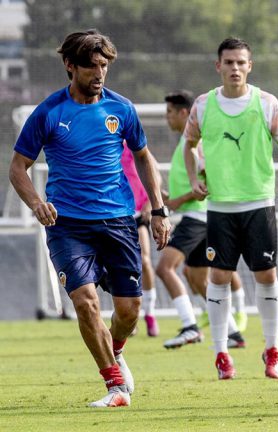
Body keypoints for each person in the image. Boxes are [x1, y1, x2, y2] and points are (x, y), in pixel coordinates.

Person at [9, 30, 171, 408]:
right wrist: (35, 202)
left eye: (104, 66)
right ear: (70, 66)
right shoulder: (49, 112)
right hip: (67, 225)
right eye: (91, 66)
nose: (99, 73)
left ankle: (115, 349)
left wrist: (159, 209)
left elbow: (145, 157)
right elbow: (18, 168)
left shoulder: (122, 109)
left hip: (117, 220)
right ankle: (115, 385)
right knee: (85, 302)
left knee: (129, 312)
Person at [184, 37, 278, 380]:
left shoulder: (266, 103)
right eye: (229, 62)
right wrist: (194, 179)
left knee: (266, 275)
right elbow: (188, 145)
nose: (235, 68)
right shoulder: (203, 105)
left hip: (259, 203)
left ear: (250, 66)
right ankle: (221, 353)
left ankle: (272, 349)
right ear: (218, 66)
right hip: (219, 207)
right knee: (217, 276)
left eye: (241, 62)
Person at [157, 90, 246, 350]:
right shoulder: (185, 145)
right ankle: (233, 333)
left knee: (164, 269)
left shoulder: (199, 144)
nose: (167, 119)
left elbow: (209, 180)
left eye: (170, 113)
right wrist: (167, 197)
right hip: (196, 215)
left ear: (185, 113)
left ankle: (190, 326)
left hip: (197, 217)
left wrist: (175, 201)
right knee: (195, 276)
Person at [120, 142, 159, 337]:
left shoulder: (135, 145)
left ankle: (150, 314)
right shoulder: (103, 142)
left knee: (144, 260)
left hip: (138, 213)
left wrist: (151, 203)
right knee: (119, 267)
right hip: (117, 214)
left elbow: (154, 172)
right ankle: (128, 316)